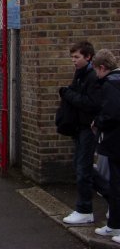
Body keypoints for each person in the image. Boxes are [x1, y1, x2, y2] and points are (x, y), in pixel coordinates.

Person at [59, 40, 101, 225]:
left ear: (88, 56)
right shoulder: (80, 74)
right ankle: (112, 200)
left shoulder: (91, 77)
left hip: (87, 128)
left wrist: (67, 94)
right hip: (80, 127)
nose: (73, 61)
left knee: (83, 169)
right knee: (81, 167)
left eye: (76, 57)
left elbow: (90, 103)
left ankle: (85, 210)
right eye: (72, 57)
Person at [91, 49, 120, 239]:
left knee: (117, 184)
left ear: (102, 68)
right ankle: (114, 225)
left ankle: (116, 226)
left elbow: (112, 113)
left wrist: (98, 122)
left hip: (115, 141)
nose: (96, 75)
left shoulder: (111, 85)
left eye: (96, 70)